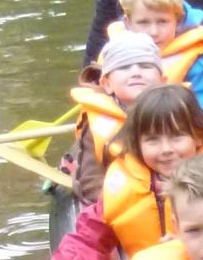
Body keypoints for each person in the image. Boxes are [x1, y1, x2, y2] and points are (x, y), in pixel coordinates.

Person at [42, 85, 203, 260]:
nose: (166, 150)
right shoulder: (124, 188)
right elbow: (89, 237)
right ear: (137, 143)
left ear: (197, 136)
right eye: (153, 140)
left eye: (177, 137)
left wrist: (187, 247)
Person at [64, 31, 166, 205]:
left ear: (162, 80)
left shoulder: (178, 111)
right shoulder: (97, 124)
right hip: (121, 203)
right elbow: (90, 181)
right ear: (107, 84)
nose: (136, 73)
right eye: (124, 68)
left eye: (145, 66)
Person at [113, 0, 203, 122]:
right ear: (128, 23)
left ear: (178, 21)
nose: (153, 32)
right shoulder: (114, 56)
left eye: (162, 21)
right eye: (143, 23)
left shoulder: (199, 65)